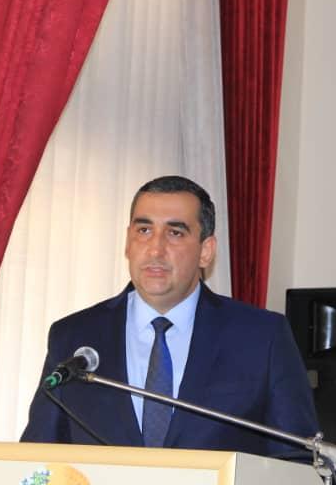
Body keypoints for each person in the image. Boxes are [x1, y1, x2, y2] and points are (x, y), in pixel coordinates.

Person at [20, 175, 318, 457]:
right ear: (128, 242)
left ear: (206, 251)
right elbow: (38, 457)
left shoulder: (261, 337)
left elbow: (295, 461)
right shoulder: (74, 337)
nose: (155, 249)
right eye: (144, 231)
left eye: (175, 233)